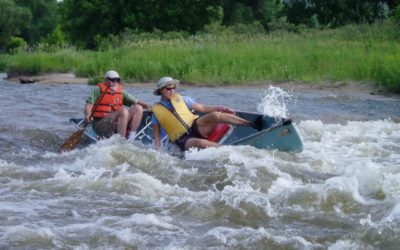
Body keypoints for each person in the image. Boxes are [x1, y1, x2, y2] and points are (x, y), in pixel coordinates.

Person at [150, 76, 263, 151]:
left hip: (196, 126)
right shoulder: (156, 111)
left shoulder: (182, 99)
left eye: (173, 88)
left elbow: (202, 108)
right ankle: (233, 152)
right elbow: (157, 136)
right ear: (161, 90)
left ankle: (252, 124)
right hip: (183, 139)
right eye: (168, 88)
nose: (172, 91)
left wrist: (222, 108)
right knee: (201, 143)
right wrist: (159, 152)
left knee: (215, 115)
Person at [84, 70, 149, 141]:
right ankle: (120, 140)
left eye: (117, 80)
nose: (115, 82)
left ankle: (131, 136)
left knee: (138, 108)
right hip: (101, 122)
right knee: (123, 111)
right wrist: (88, 115)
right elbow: (89, 105)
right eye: (112, 80)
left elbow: (137, 102)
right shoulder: (97, 89)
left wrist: (150, 107)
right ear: (105, 80)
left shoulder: (121, 92)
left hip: (116, 122)